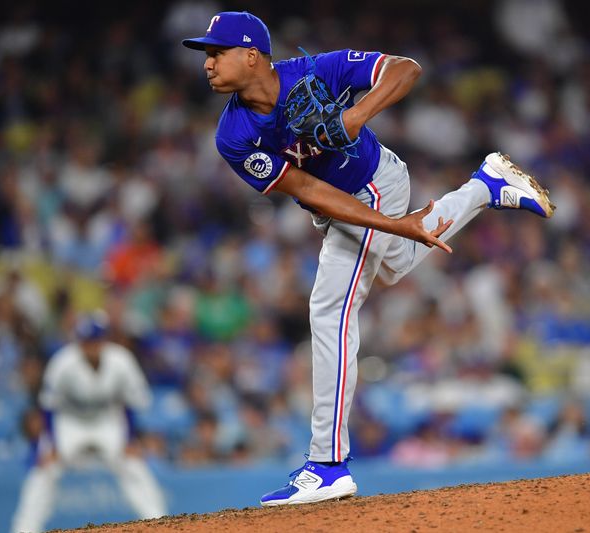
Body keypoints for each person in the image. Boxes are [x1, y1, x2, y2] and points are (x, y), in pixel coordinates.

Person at [182, 11, 554, 507]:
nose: (207, 64)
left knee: (330, 309)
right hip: (341, 203)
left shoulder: (314, 72)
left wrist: (354, 117)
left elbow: (407, 69)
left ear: (252, 55)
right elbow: (308, 188)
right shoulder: (232, 135)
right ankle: (484, 187)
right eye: (205, 55)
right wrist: (395, 225)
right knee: (398, 261)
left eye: (215, 52)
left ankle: (328, 464)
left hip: (376, 180)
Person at [10, 312, 166, 533]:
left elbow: (131, 402)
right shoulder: (63, 362)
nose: (89, 346)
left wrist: (130, 439)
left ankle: (160, 523)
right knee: (44, 469)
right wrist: (52, 444)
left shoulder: (121, 360)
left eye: (94, 340)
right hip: (69, 422)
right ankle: (23, 529)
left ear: (104, 340)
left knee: (133, 466)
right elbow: (48, 406)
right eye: (85, 341)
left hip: (107, 421)